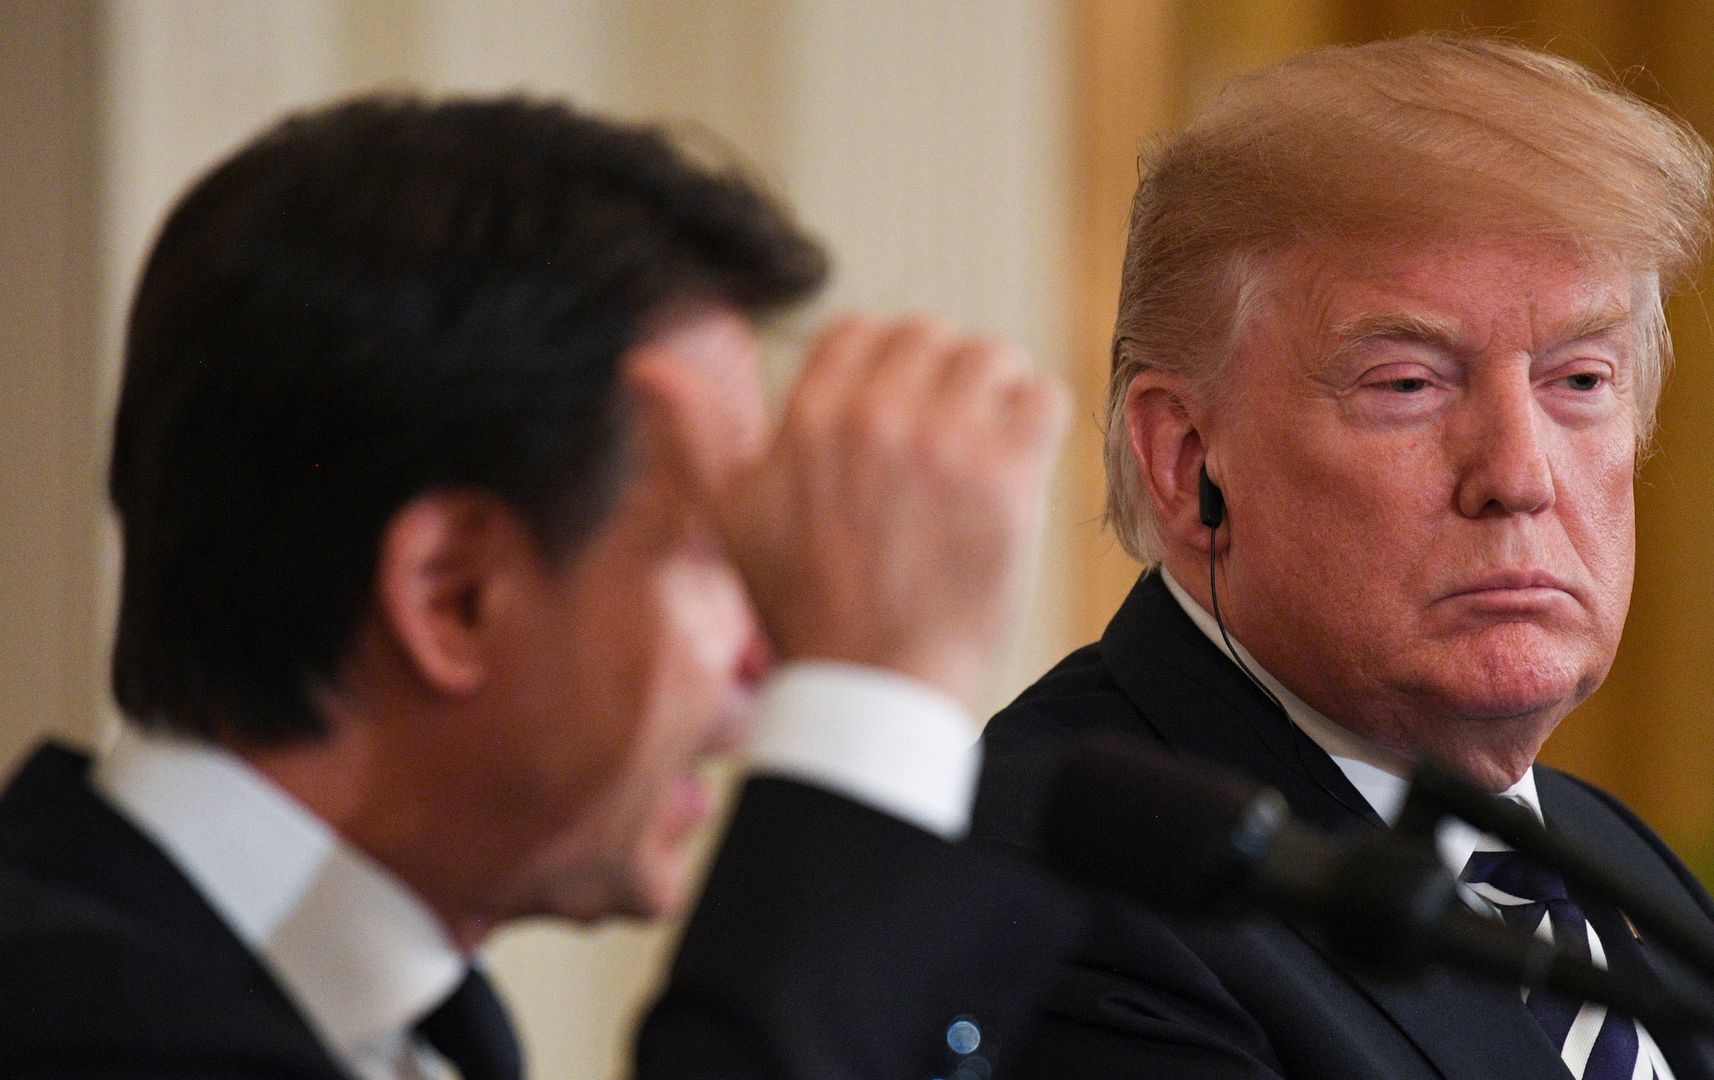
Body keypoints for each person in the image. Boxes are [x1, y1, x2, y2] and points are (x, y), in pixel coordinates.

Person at [0, 95, 1074, 1079]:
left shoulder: (424, 1026)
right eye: (717, 556)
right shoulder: (67, 1029)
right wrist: (873, 704)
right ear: (454, 594)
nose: (767, 656)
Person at [975, 36, 1714, 1080]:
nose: (1519, 475)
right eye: (1408, 384)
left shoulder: (1609, 857)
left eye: (1580, 381)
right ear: (1189, 462)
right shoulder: (1070, 881)